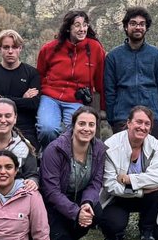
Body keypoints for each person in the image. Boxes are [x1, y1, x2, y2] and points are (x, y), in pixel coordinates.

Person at [39, 107, 106, 240]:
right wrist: (76, 212)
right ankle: (49, 239)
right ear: (73, 126)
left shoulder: (99, 149)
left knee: (95, 210)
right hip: (53, 208)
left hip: (78, 201)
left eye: (91, 125)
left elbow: (96, 182)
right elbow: (51, 192)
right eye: (82, 124)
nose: (86, 129)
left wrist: (87, 203)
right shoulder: (55, 150)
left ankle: (72, 237)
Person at [35, 9, 106, 145]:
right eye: (77, 25)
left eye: (85, 25)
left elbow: (100, 79)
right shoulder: (50, 49)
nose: (82, 29)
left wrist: (103, 106)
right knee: (47, 129)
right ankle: (49, 158)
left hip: (76, 99)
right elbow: (40, 74)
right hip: (50, 97)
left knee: (75, 132)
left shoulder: (95, 49)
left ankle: (70, 163)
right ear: (68, 28)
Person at [100, 105, 158, 240]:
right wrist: (140, 190)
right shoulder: (110, 146)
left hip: (147, 195)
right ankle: (116, 233)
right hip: (117, 197)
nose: (142, 127)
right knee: (113, 227)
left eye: (147, 124)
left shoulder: (154, 144)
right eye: (139, 122)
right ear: (129, 123)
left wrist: (129, 179)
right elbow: (110, 185)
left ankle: (147, 230)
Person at [104, 6, 158, 137]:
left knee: (150, 156)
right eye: (133, 23)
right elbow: (109, 90)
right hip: (123, 116)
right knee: (122, 157)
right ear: (126, 27)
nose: (138, 27)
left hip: (151, 117)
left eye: (141, 24)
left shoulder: (157, 55)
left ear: (146, 28)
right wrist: (113, 117)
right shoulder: (114, 56)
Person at [0, 29, 42, 146]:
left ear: (20, 49)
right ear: (0, 49)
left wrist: (2, 98)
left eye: (14, 47)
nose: (10, 51)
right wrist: (23, 99)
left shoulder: (31, 73)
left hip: (26, 130)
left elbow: (33, 104)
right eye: (6, 47)